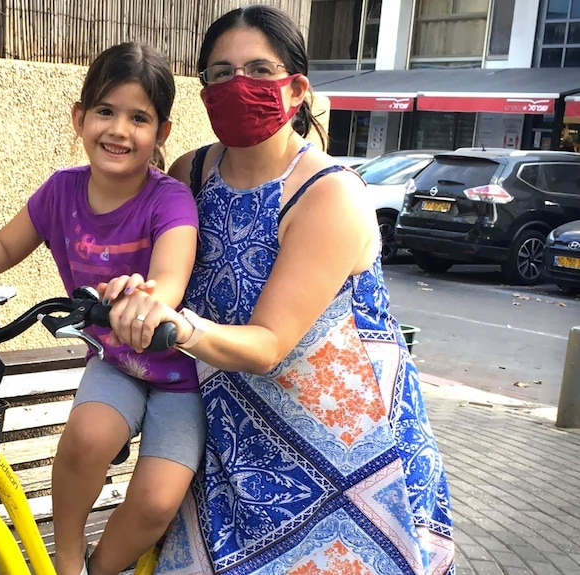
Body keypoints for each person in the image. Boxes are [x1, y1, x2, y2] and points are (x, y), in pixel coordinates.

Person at [103, 6, 456, 575]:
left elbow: (269, 344)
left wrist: (181, 326)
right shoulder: (191, 174)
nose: (238, 85)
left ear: (297, 90)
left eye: (259, 71)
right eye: (220, 73)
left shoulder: (329, 193)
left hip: (345, 459)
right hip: (230, 446)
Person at [0, 42, 205, 575]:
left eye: (138, 118)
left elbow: (171, 276)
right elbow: (4, 245)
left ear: (162, 133)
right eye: (105, 111)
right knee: (87, 436)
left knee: (156, 501)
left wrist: (151, 300)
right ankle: (65, 561)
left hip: (180, 372)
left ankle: (101, 568)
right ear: (80, 117)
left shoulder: (168, 198)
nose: (118, 130)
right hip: (115, 363)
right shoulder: (62, 191)